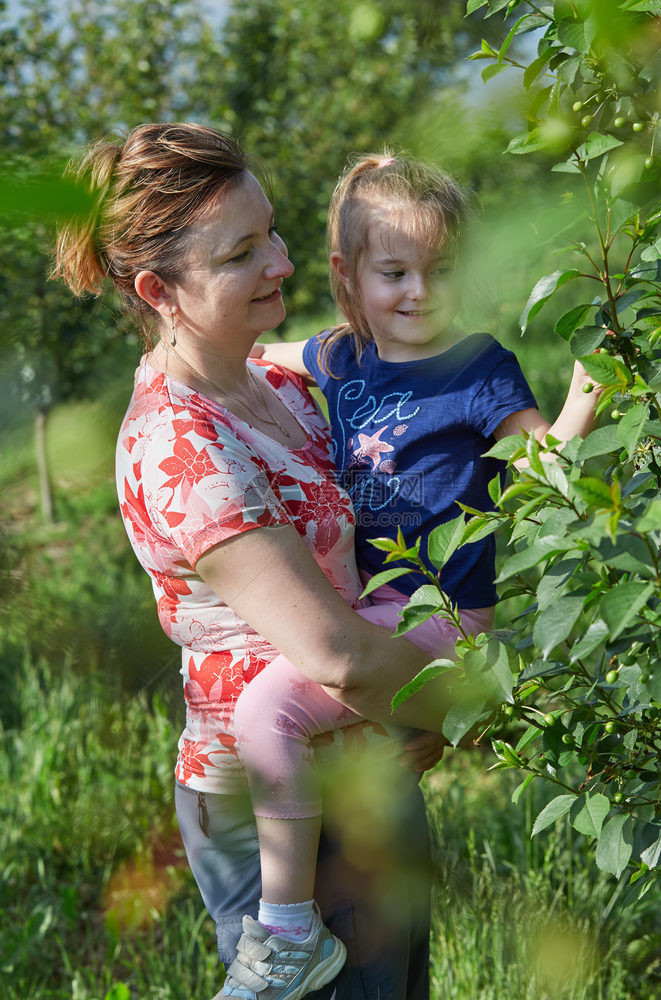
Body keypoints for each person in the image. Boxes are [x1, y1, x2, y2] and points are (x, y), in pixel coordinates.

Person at [53, 124, 458, 1000]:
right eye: (241, 253)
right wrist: (472, 704)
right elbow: (335, 656)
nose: (279, 260)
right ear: (160, 290)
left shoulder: (267, 382)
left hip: (361, 762)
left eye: (271, 230)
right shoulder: (181, 447)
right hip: (281, 816)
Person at [230, 151, 603, 997]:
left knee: (268, 712)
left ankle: (286, 930)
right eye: (393, 271)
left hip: (441, 612)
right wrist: (163, 362)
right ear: (347, 275)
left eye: (438, 271)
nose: (418, 293)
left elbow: (541, 465)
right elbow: (251, 353)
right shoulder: (340, 358)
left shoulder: (476, 364)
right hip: (374, 609)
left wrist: (584, 404)